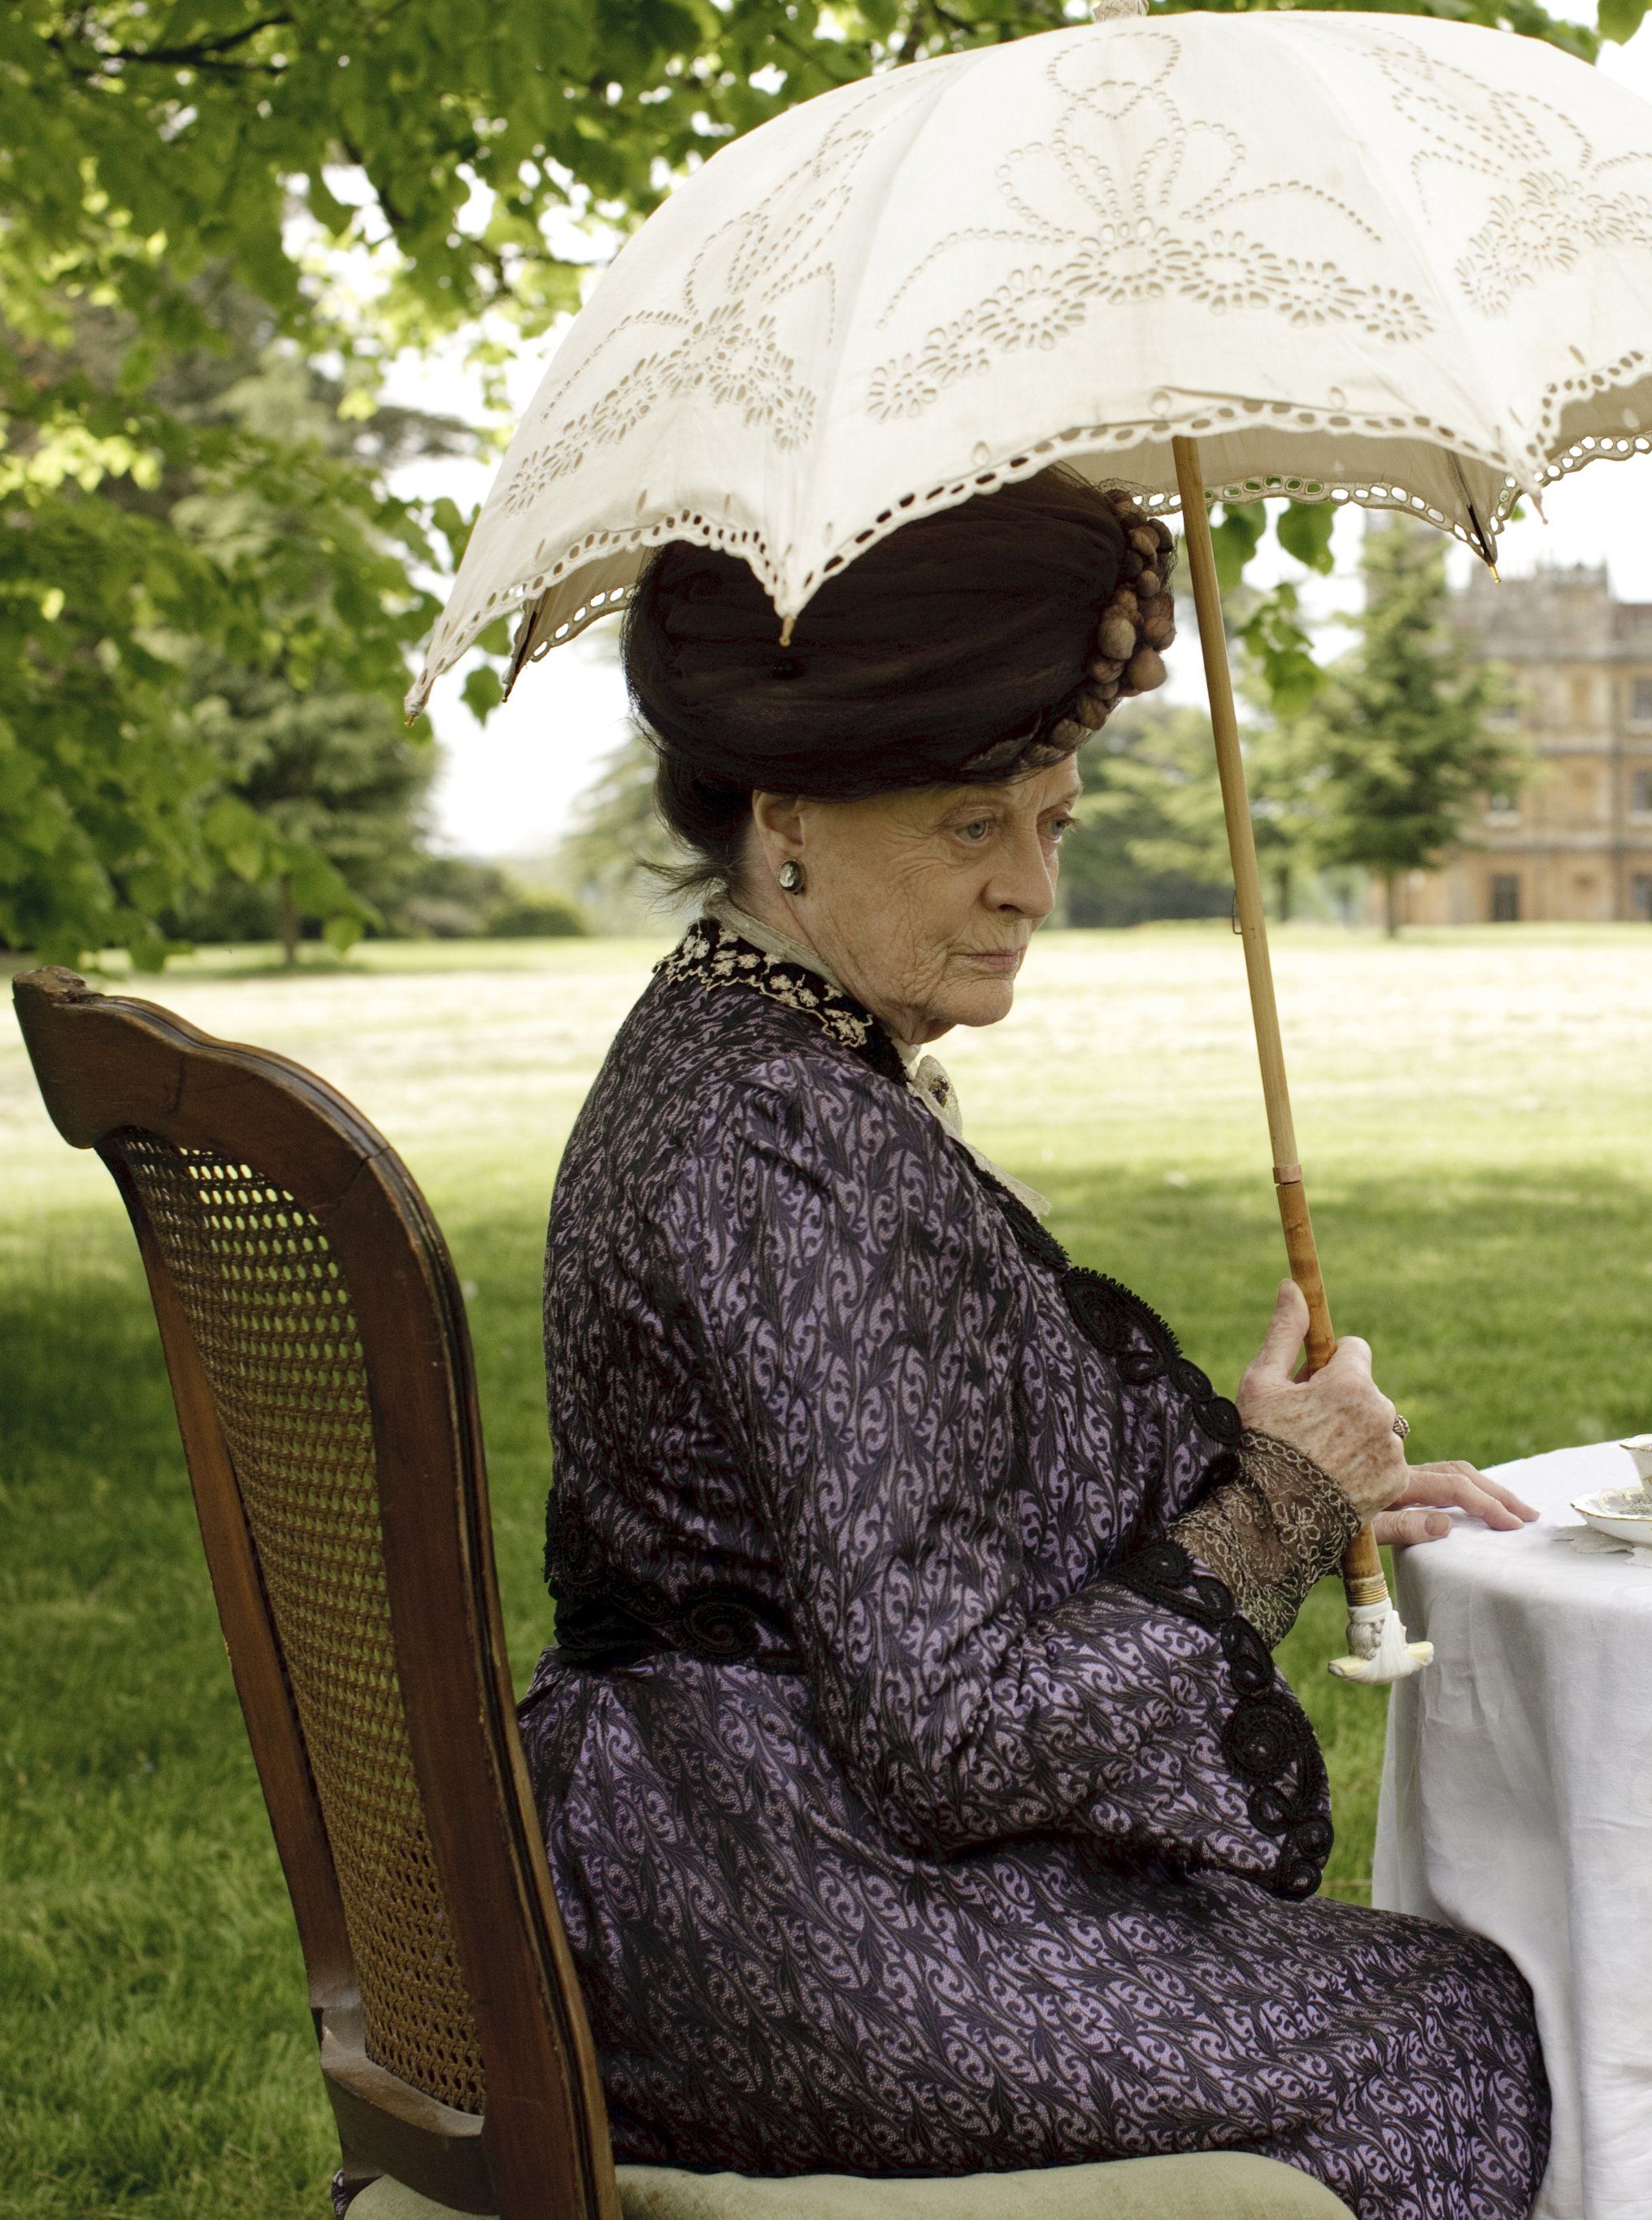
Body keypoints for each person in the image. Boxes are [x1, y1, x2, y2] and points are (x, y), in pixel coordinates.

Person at [520, 470, 1550, 2220]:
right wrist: (1267, 1519)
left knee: (1398, 2000)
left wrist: (1288, 1469)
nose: (1029, 890)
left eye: (1051, 825)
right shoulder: (780, 1143)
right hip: (766, 1911)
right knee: (1440, 2032)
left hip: (714, 1859)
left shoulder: (756, 1065)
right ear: (785, 821)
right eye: (967, 827)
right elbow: (955, 1732)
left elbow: (920, 1507)